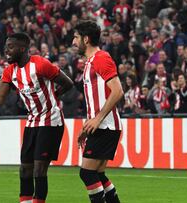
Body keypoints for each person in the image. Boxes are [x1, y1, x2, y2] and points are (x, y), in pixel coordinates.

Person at [0, 32, 73, 203]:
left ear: (22, 49)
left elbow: (68, 82)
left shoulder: (40, 64)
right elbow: (0, 98)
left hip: (51, 120)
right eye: (6, 47)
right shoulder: (9, 71)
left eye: (10, 47)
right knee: (24, 170)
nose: (6, 51)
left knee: (39, 170)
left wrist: (54, 95)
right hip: (32, 121)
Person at [72, 21, 123, 203]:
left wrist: (98, 119)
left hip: (106, 125)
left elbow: (118, 91)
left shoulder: (101, 58)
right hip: (101, 125)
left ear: (86, 39)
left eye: (76, 37)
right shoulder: (90, 62)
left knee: (87, 173)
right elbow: (96, 101)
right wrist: (87, 128)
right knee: (97, 174)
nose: (73, 42)